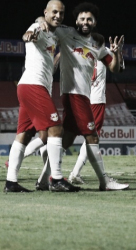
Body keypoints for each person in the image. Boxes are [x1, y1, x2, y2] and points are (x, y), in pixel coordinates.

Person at [35, 2, 128, 191]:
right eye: (82, 18)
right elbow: (47, 21)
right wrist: (40, 20)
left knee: (67, 139)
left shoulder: (97, 43)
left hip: (84, 95)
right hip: (73, 94)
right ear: (76, 20)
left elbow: (115, 68)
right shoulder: (66, 33)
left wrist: (116, 54)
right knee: (92, 137)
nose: (85, 22)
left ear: (94, 22)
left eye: (89, 19)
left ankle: (44, 180)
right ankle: (104, 182)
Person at [4, 0, 80, 192]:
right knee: (56, 129)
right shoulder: (38, 26)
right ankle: (56, 179)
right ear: (45, 12)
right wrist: (30, 33)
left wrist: (60, 57)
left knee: (24, 134)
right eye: (54, 12)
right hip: (33, 85)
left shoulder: (56, 35)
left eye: (61, 13)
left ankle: (11, 183)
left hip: (31, 86)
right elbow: (29, 34)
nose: (58, 16)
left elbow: (50, 63)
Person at [68, 47, 125, 184]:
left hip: (80, 98)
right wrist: (118, 52)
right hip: (96, 100)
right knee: (92, 138)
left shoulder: (78, 49)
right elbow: (120, 68)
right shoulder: (104, 51)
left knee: (67, 135)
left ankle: (60, 172)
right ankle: (75, 173)